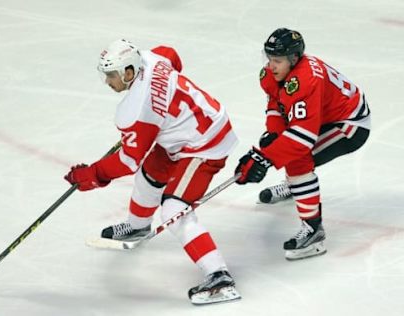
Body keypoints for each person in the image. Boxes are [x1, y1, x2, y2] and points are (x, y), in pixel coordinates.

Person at [64, 39, 241, 304]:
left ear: (128, 72)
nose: (107, 81)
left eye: (111, 75)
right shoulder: (151, 58)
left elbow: (127, 161)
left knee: (173, 210)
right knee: (149, 176)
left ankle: (219, 277)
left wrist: (92, 174)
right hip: (187, 130)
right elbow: (171, 54)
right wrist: (162, 109)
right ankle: (138, 226)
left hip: (204, 146)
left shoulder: (134, 110)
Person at [234, 28, 370, 260]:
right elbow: (276, 104)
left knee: (297, 158)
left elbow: (301, 140)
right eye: (269, 59)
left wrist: (263, 158)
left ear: (294, 59)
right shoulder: (272, 74)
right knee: (287, 151)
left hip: (348, 125)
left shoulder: (306, 80)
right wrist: (275, 134)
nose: (271, 66)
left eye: (277, 61)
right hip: (321, 118)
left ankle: (314, 232)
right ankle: (296, 186)